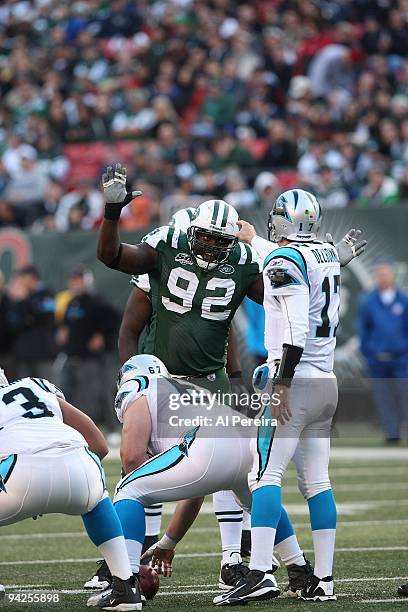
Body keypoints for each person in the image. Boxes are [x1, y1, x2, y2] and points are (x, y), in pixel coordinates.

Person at [214, 189, 365, 605]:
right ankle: (324, 581)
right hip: (326, 381)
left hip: (294, 383)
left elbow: (296, 329)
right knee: (317, 482)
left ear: (284, 219)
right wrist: (251, 239)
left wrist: (281, 383)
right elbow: (290, 262)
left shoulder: (286, 260)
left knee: (263, 476)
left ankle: (261, 571)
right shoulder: (325, 253)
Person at [88, 354, 312, 608]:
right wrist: (168, 542)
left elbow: (131, 458)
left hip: (206, 443)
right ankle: (300, 571)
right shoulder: (182, 389)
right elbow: (196, 488)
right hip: (241, 438)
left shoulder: (138, 385)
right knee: (254, 499)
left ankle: (125, 584)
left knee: (128, 488)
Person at [0, 369, 141, 611]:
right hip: (79, 462)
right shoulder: (37, 386)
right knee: (97, 498)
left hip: (20, 473)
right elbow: (99, 445)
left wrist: (33, 489)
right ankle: (126, 587)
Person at [56, 265, 120, 424]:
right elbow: (66, 323)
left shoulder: (97, 301)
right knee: (69, 392)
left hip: (91, 358)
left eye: (78, 280)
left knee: (93, 394)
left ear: (87, 280)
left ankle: (104, 426)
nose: (75, 283)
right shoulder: (72, 302)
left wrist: (101, 336)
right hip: (72, 355)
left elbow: (115, 320)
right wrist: (63, 331)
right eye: (72, 280)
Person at [358, 261, 408, 443]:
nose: (383, 277)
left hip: (401, 358)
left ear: (392, 276)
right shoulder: (368, 302)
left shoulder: (403, 300)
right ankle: (391, 433)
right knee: (383, 397)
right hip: (377, 359)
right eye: (379, 274)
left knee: (404, 394)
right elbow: (364, 329)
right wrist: (367, 352)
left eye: (386, 273)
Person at [8, 265, 56, 380]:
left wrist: (26, 301)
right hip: (24, 355)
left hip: (43, 354)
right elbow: (15, 324)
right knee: (25, 392)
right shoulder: (19, 299)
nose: (21, 281)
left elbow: (45, 317)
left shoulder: (46, 294)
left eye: (23, 277)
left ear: (32, 278)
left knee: (45, 391)